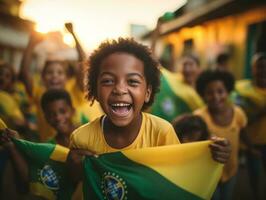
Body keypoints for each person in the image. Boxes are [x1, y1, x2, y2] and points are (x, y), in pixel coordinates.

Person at [67, 38, 231, 185]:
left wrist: (211, 155)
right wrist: (73, 168)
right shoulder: (81, 138)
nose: (119, 89)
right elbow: (75, 182)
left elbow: (178, 177)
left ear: (147, 93)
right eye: (108, 81)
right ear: (95, 90)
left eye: (132, 81)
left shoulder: (162, 132)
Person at [194, 69, 255, 200]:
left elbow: (243, 133)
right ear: (203, 95)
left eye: (220, 91)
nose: (216, 96)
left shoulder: (238, 113)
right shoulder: (199, 117)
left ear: (228, 91)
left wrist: (251, 148)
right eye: (210, 93)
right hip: (208, 173)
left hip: (231, 169)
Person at [232, 52, 266, 199]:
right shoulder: (241, 88)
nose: (263, 71)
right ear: (252, 68)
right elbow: (240, 116)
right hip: (251, 143)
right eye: (259, 67)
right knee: (255, 178)